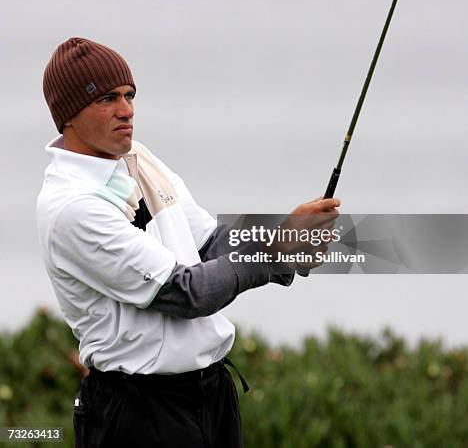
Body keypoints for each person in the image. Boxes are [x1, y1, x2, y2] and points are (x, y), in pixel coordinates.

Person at [37, 37, 341, 448]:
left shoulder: (137, 157)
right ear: (69, 114)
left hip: (211, 396)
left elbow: (209, 244)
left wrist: (284, 240)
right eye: (108, 99)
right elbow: (184, 293)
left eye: (129, 95)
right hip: (138, 413)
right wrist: (274, 251)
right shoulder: (72, 207)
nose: (127, 110)